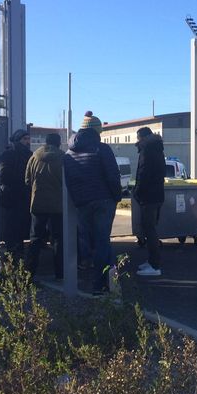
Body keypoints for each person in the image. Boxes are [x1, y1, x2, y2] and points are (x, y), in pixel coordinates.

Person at [63, 111, 121, 295]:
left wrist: (78, 199)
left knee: (86, 241)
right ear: (96, 130)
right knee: (103, 242)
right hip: (103, 200)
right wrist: (117, 196)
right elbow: (113, 176)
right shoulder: (102, 149)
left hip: (82, 202)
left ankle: (86, 279)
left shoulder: (69, 152)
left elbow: (69, 180)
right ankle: (101, 285)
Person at [25, 133, 65, 279]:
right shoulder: (63, 157)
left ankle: (29, 274)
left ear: (45, 142)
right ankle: (60, 273)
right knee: (58, 239)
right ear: (59, 143)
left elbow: (27, 180)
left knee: (35, 238)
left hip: (37, 204)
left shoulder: (34, 157)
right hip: (57, 205)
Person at [133, 127, 166, 277]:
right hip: (157, 195)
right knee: (150, 228)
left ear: (143, 137)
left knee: (149, 229)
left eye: (138, 137)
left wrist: (137, 192)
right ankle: (152, 261)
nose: (137, 141)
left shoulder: (147, 150)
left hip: (148, 196)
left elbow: (143, 173)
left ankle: (154, 265)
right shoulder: (158, 149)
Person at [0, 129, 32, 260]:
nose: (27, 141)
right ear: (18, 140)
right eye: (25, 139)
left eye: (28, 139)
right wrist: (22, 180)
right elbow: (3, 172)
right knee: (13, 223)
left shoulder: (25, 154)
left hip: (16, 194)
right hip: (14, 194)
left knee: (18, 223)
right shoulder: (11, 154)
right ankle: (13, 248)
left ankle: (15, 248)